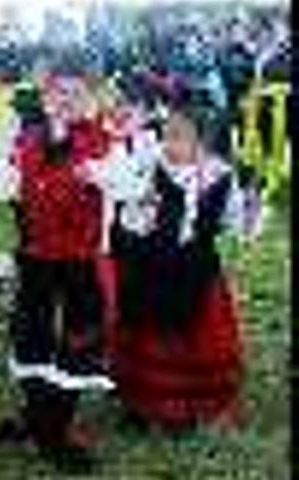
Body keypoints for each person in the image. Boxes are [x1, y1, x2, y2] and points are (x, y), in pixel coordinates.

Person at [0, 70, 115, 472]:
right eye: (57, 92)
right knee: (33, 341)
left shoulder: (104, 144)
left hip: (79, 267)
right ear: (45, 96)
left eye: (76, 93)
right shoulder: (24, 140)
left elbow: (129, 190)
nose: (65, 99)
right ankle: (36, 417)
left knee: (72, 348)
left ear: (91, 96)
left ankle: (56, 432)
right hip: (35, 264)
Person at [92, 87, 262, 431]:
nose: (168, 144)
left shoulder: (220, 177)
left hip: (197, 272)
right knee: (145, 330)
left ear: (203, 143)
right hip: (149, 269)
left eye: (179, 137)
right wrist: (136, 216)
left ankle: (189, 403)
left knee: (192, 337)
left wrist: (250, 209)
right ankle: (140, 401)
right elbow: (127, 214)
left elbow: (235, 224)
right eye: (166, 134)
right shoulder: (148, 169)